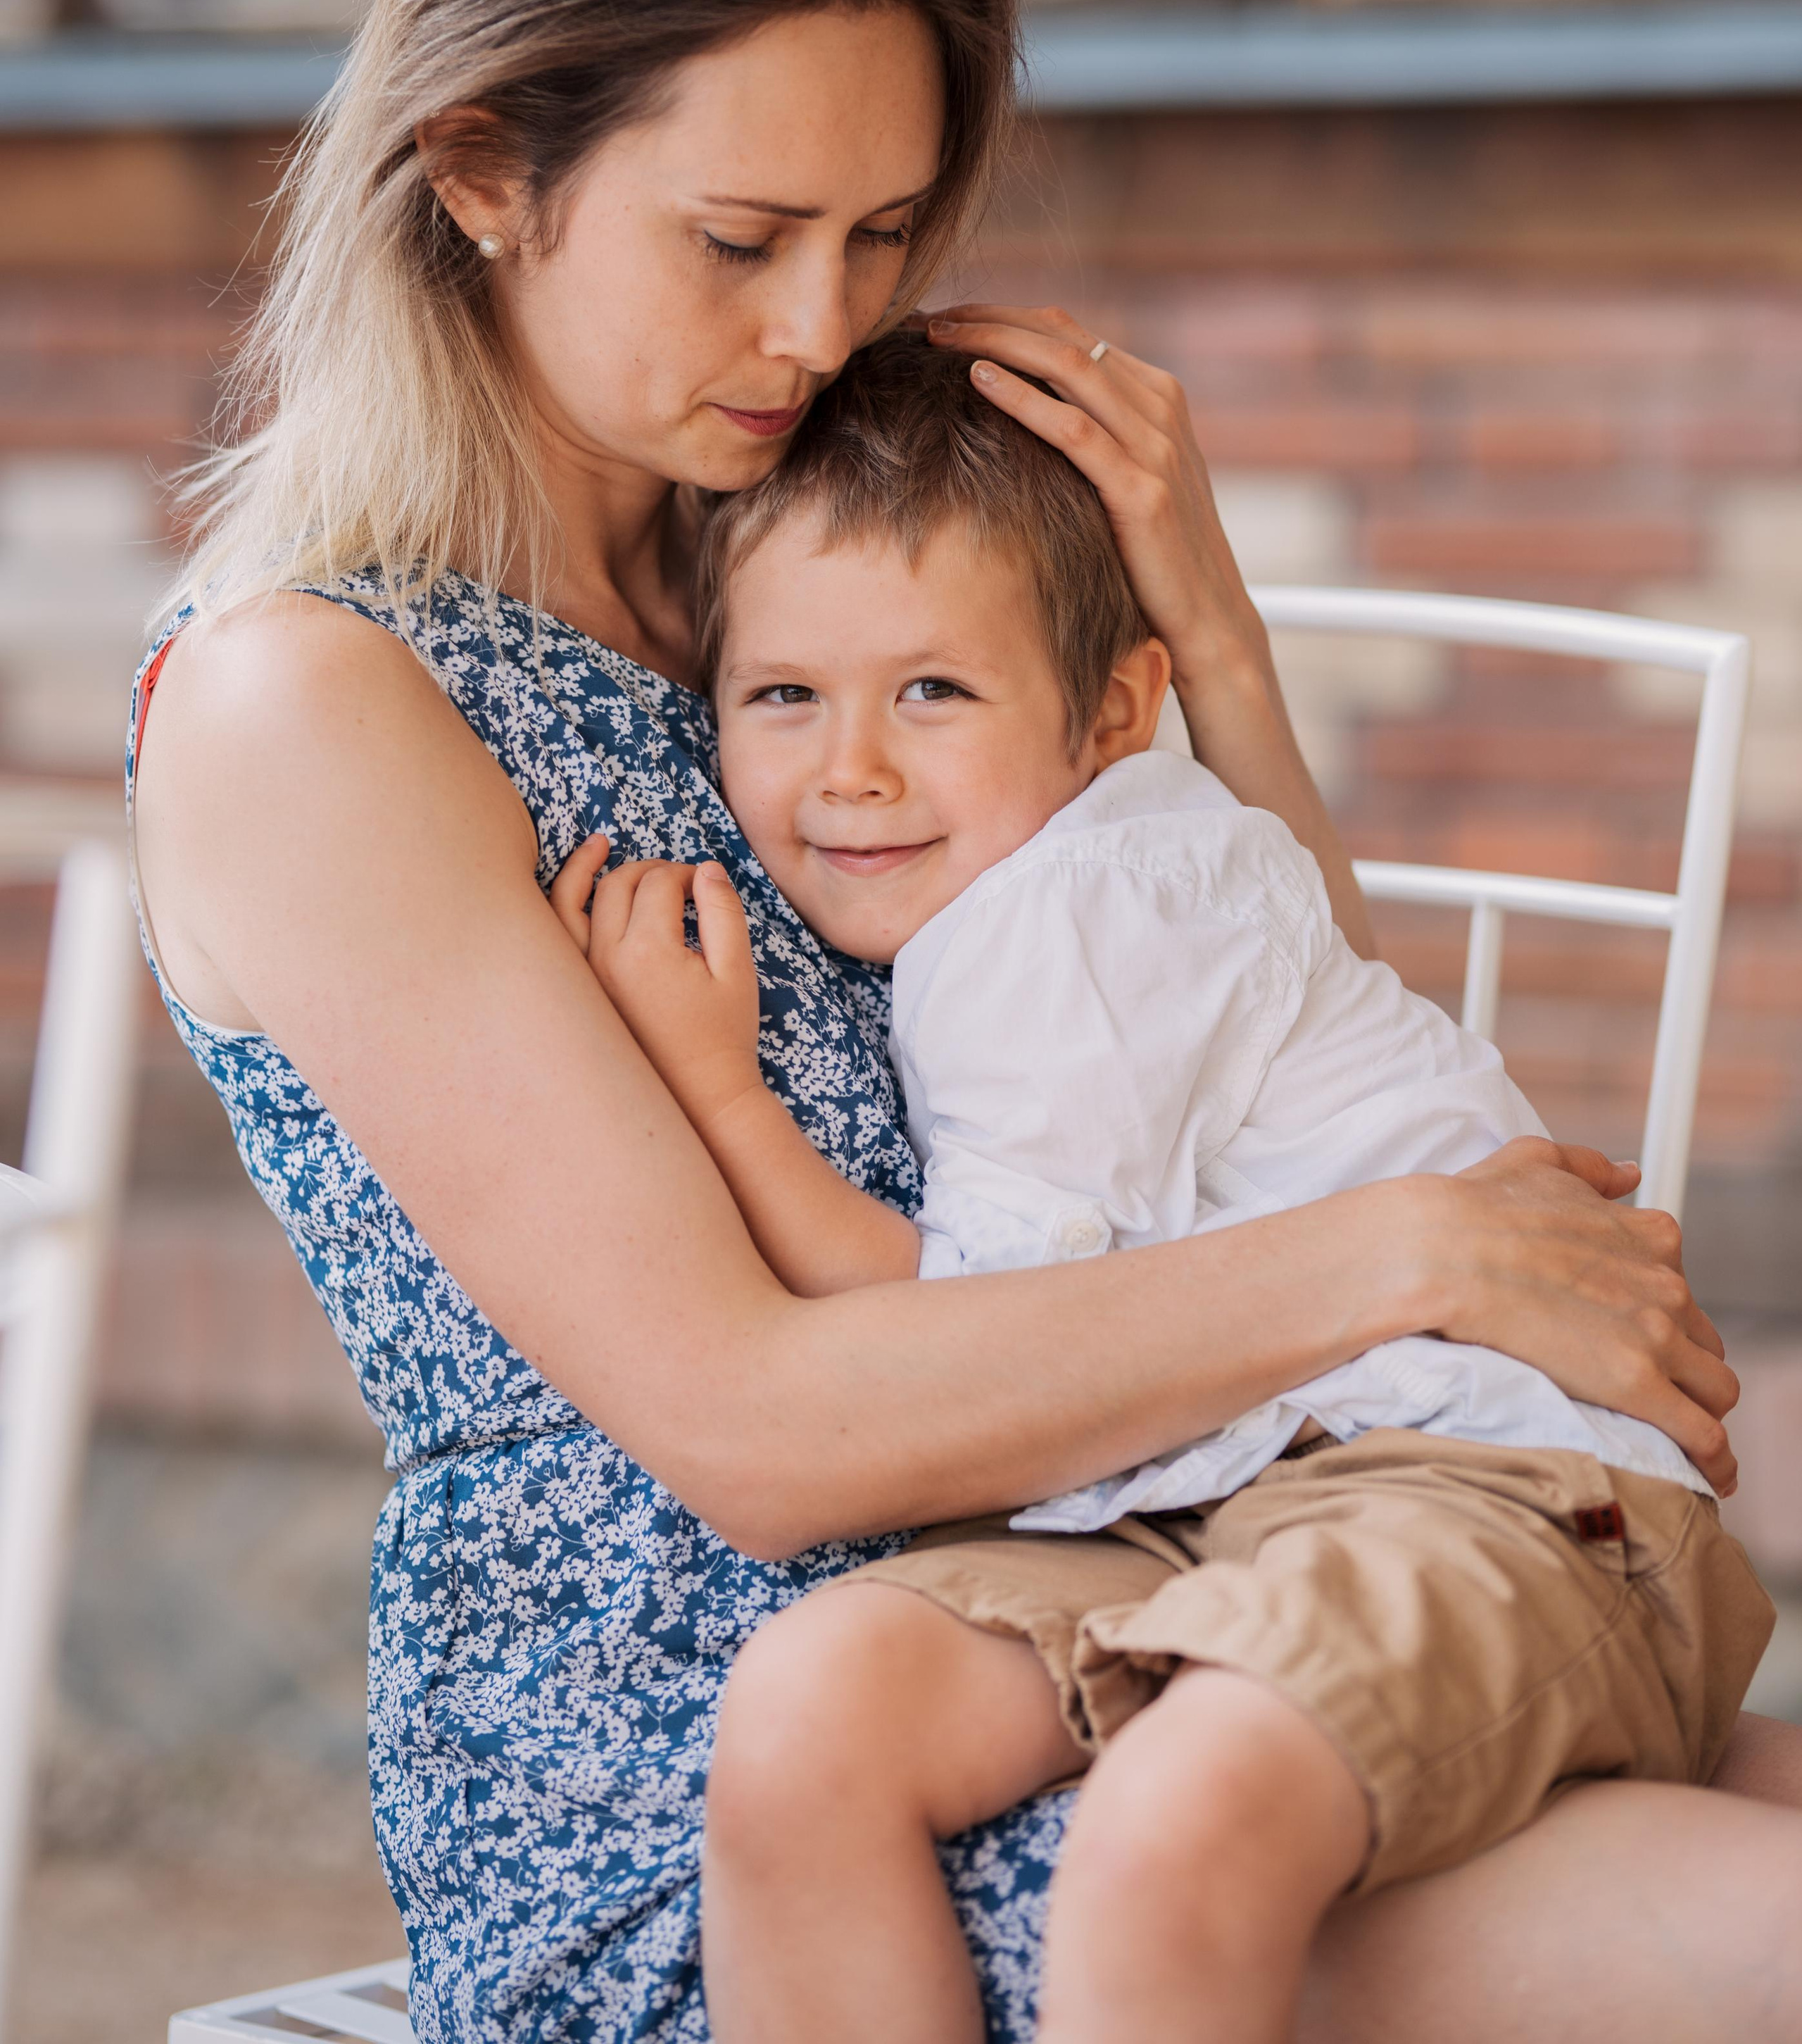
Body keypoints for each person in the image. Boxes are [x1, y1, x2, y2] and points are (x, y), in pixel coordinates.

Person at [127, 0, 1802, 2044]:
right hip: (744, 1770)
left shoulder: (799, 552)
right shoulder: (313, 702)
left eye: (888, 233)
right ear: (486, 167)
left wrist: (1196, 634)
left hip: (1162, 1575)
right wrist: (1418, 1252)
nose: (823, 327)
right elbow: (757, 1425)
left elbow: (1239, 1015)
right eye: (744, 237)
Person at [543, 331, 1772, 2043]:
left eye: (932, 691)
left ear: (1112, 710)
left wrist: (715, 1094)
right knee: (817, 1705)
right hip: (1204, 1488)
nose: (852, 770)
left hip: (1469, 1475)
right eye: (782, 695)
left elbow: (965, 1341)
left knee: (1176, 1807)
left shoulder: (1062, 917)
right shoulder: (1070, 861)